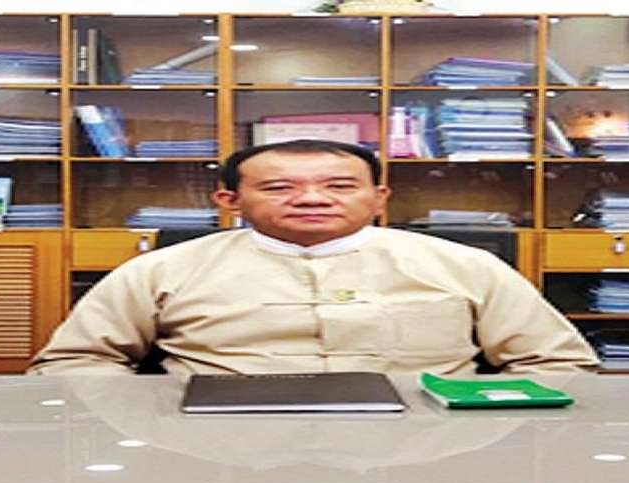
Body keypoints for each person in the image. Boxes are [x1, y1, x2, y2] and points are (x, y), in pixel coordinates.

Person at [29, 139, 598, 375]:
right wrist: (154, 418)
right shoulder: (160, 270)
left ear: (379, 198)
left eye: (339, 186)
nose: (311, 199)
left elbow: (556, 363)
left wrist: (483, 429)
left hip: (425, 445)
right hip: (217, 444)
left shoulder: (466, 266)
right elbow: (73, 363)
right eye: (279, 188)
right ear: (229, 201)